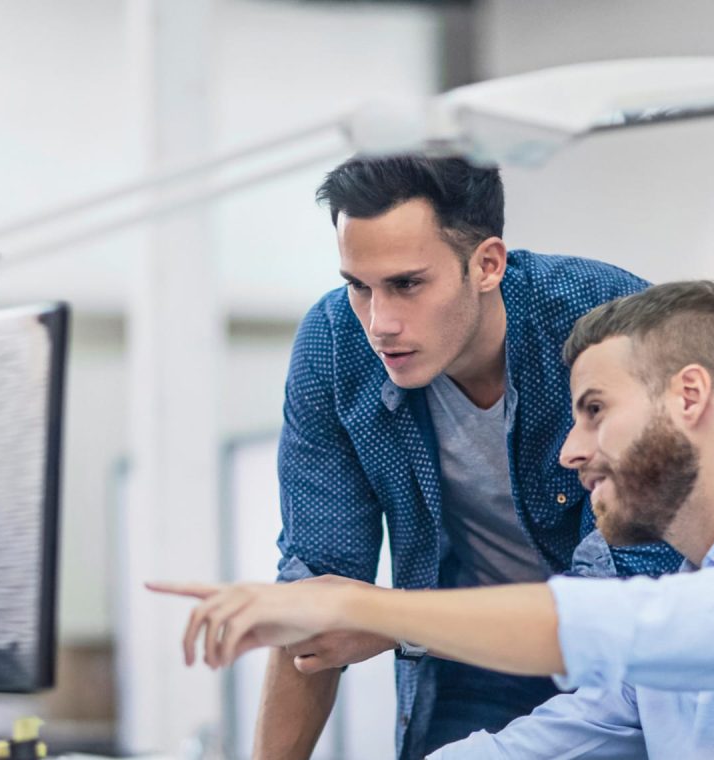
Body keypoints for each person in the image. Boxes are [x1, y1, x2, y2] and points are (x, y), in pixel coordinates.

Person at [154, 281, 714, 759]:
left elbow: (606, 624)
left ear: (688, 397)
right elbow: (540, 743)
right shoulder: (703, 596)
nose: (570, 451)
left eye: (593, 411)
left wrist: (352, 605)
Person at [252, 154, 681, 760]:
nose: (380, 323)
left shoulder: (607, 323)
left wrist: (393, 620)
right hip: (466, 657)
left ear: (487, 264)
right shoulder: (334, 346)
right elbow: (315, 591)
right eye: (358, 286)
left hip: (626, 668)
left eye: (406, 284)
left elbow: (624, 598)